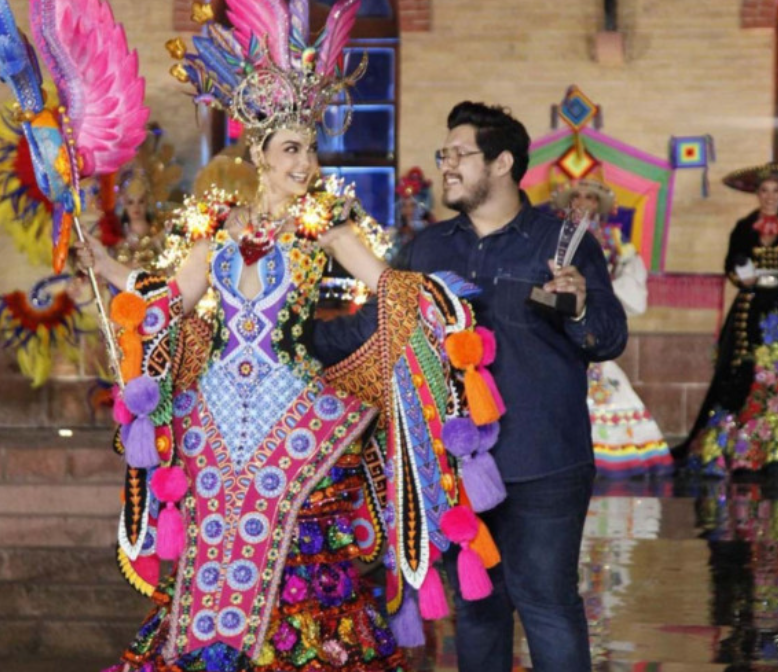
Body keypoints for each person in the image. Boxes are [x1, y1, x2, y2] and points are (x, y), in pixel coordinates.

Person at [75, 6, 504, 671]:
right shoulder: (219, 225)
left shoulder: (326, 224)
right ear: (258, 155)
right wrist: (104, 268)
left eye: (309, 148)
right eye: (291, 149)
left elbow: (388, 287)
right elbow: (171, 297)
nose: (305, 162)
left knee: (300, 539)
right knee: (213, 542)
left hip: (296, 405)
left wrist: (437, 306)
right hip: (214, 415)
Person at [354, 101, 628, 672]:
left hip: (543, 460)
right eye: (443, 154)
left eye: (460, 154)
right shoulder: (428, 249)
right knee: (477, 609)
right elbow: (384, 332)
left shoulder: (562, 244)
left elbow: (608, 337)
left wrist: (577, 307)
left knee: (547, 605)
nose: (447, 165)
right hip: (455, 465)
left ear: (502, 162)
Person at [551, 177, 673, 479]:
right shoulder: (554, 236)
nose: (581, 202)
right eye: (576, 196)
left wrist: (599, 293)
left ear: (598, 205)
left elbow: (632, 282)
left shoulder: (616, 239)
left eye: (589, 197)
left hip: (594, 321)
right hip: (557, 319)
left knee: (604, 381)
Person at [681, 164, 778, 477]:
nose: (769, 197)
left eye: (776, 191)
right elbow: (731, 264)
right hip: (749, 311)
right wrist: (740, 274)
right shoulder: (744, 227)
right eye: (764, 191)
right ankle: (736, 449)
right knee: (741, 371)